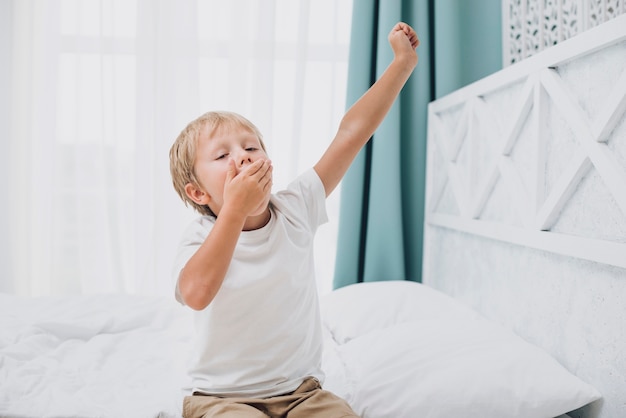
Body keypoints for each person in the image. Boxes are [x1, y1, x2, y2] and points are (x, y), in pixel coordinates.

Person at [168, 21, 419, 418]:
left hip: (302, 394)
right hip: (220, 399)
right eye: (222, 156)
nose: (244, 156)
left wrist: (400, 66)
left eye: (251, 147)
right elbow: (197, 293)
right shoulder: (199, 236)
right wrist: (233, 211)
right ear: (198, 193)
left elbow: (350, 135)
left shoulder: (295, 208)